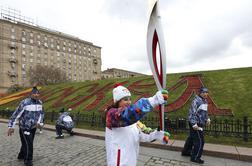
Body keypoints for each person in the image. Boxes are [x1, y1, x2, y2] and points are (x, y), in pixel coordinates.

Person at [105, 84, 169, 166]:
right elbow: (127, 115)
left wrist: (157, 135)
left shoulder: (134, 121)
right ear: (117, 101)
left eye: (129, 99)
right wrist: (153, 101)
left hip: (131, 160)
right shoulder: (111, 114)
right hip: (118, 162)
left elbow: (144, 133)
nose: (128, 102)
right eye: (125, 99)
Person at [7, 87, 44, 166]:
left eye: (38, 93)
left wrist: (40, 123)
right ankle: (28, 160)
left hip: (33, 127)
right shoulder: (25, 102)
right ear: (31, 94)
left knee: (26, 142)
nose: (36, 95)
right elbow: (16, 114)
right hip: (24, 127)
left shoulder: (40, 103)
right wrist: (11, 126)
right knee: (29, 143)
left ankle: (21, 155)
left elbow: (41, 114)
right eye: (34, 93)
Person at [181, 87, 211, 164]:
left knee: (191, 137)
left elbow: (204, 112)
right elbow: (192, 113)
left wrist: (207, 119)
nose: (205, 94)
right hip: (196, 123)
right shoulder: (196, 101)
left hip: (199, 123)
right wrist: (194, 124)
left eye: (206, 92)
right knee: (200, 141)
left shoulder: (205, 101)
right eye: (203, 92)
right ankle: (195, 157)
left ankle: (186, 151)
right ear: (200, 93)